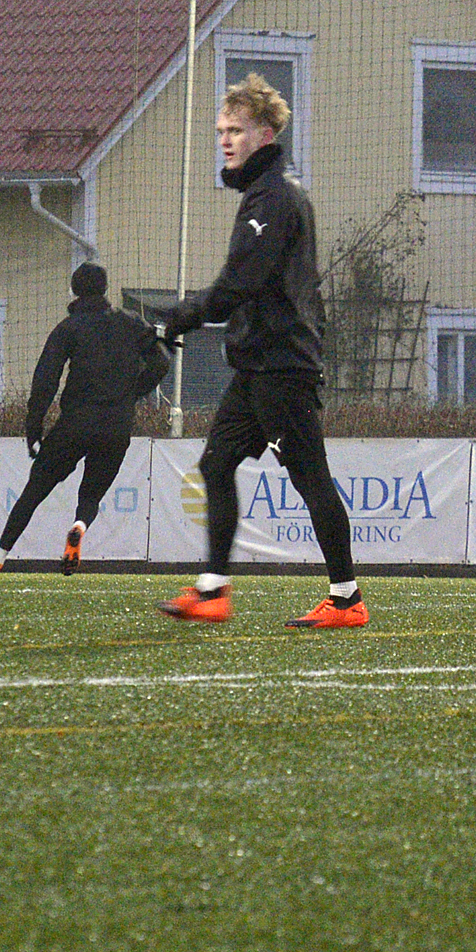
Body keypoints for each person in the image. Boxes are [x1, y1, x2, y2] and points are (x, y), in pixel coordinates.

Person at [151, 74, 367, 628]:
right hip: (258, 366)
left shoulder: (274, 196)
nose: (225, 140)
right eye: (221, 130)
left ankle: (347, 600)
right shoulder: (265, 191)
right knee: (216, 462)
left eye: (236, 130)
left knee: (310, 477)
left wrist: (182, 314)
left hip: (282, 367)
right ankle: (213, 590)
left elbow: (238, 284)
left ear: (265, 134)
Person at [0, 262, 170, 579]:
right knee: (91, 494)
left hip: (75, 424)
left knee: (34, 491)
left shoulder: (69, 328)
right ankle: (79, 527)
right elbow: (161, 364)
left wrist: (33, 426)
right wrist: (131, 394)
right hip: (116, 427)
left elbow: (45, 380)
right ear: (105, 289)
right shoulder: (131, 323)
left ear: (74, 291)